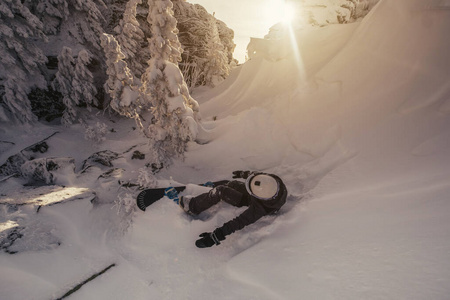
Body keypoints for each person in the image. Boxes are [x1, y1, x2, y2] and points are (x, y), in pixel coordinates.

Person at [179, 171, 288, 248]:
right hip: (257, 198)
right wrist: (244, 174)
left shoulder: (259, 209)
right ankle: (224, 189)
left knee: (221, 190)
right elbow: (258, 177)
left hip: (252, 201)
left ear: (257, 196)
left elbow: (239, 222)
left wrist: (215, 237)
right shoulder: (273, 181)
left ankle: (193, 206)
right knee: (234, 184)